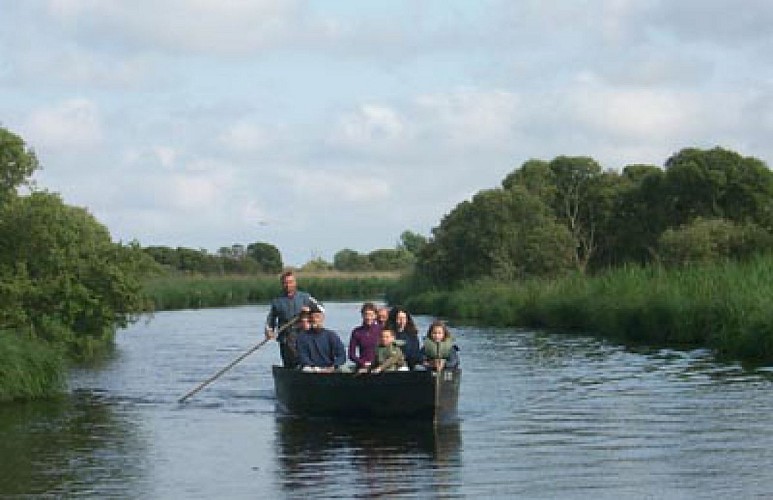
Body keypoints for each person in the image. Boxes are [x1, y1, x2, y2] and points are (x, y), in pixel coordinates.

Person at [265, 270, 323, 368]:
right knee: (290, 365)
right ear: (282, 284)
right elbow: (270, 320)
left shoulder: (305, 297)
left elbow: (321, 308)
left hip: (304, 335)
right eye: (285, 283)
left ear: (295, 283)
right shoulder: (277, 301)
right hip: (285, 339)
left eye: (290, 282)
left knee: (306, 363)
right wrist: (269, 331)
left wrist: (310, 309)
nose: (288, 285)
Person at [296, 305, 346, 373]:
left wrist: (334, 366)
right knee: (306, 370)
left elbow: (341, 354)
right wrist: (314, 368)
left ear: (322, 318)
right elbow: (302, 356)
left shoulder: (331, 335)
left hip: (330, 367)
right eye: (312, 318)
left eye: (317, 317)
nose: (315, 320)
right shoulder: (302, 337)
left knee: (344, 369)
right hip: (311, 368)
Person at [348, 302, 382, 372]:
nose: (368, 317)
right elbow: (351, 354)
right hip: (363, 365)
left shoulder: (381, 330)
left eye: (371, 315)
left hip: (379, 365)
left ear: (375, 316)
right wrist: (362, 362)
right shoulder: (357, 332)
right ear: (362, 315)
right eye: (366, 314)